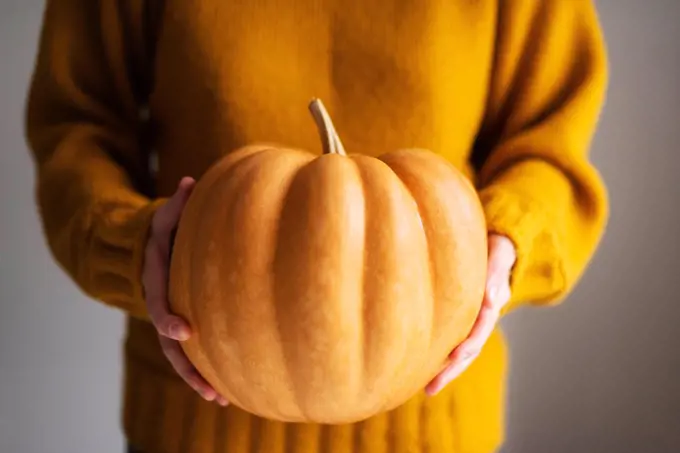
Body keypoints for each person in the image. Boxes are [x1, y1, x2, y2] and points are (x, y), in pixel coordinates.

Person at [24, 0, 609, 452]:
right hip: (193, 425)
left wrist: (511, 238)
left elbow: (549, 152)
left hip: (434, 430)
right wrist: (131, 240)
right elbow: (77, 129)